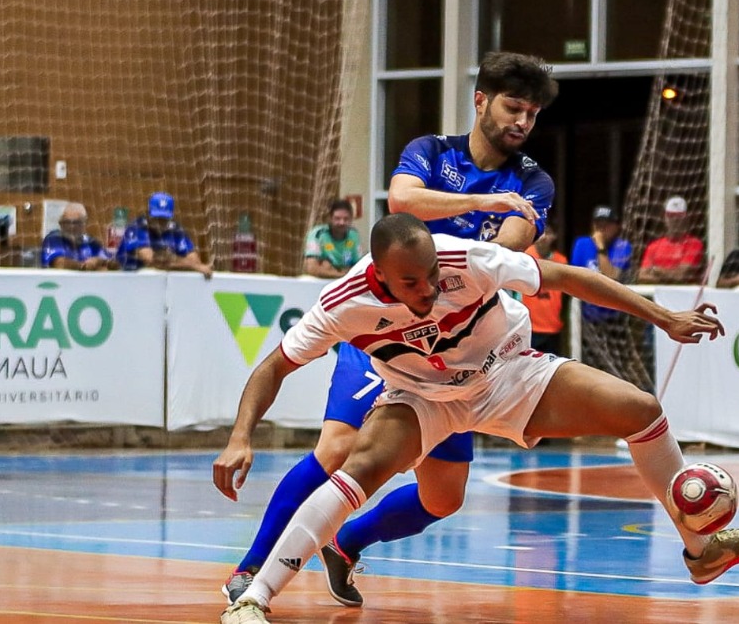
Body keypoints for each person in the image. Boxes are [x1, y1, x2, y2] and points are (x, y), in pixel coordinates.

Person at [215, 214, 739, 624]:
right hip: (422, 397)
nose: (429, 289)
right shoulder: (343, 303)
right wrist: (241, 437)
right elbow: (273, 366)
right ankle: (254, 598)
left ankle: (701, 552)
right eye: (411, 283)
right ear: (381, 278)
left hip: (507, 374)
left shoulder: (466, 260)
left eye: (432, 275)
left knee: (640, 409)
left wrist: (663, 316)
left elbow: (567, 279)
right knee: (357, 464)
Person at [218, 50, 559, 608]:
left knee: (444, 498)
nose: (522, 121)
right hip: (388, 332)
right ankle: (250, 570)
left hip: (456, 348)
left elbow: (510, 246)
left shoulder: (533, 181)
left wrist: (477, 240)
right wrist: (483, 201)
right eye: (513, 107)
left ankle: (347, 543)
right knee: (339, 446)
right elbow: (401, 201)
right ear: (481, 102)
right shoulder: (430, 152)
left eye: (532, 114)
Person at [569, 206, 648, 389]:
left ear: (616, 226)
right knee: (587, 370)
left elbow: (611, 276)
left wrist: (601, 249)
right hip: (588, 319)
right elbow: (575, 275)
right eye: (598, 224)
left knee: (616, 371)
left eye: (606, 225)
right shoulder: (582, 244)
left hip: (614, 321)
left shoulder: (622, 247)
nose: (601, 229)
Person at [116, 192, 213, 278]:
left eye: (164, 219)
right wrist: (191, 266)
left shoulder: (175, 230)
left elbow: (194, 260)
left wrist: (190, 264)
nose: (160, 222)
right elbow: (151, 261)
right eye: (157, 218)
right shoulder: (137, 227)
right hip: (126, 278)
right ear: (148, 214)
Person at [522, 222, 567, 355]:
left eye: (548, 233)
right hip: (529, 326)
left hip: (553, 326)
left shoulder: (561, 261)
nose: (543, 237)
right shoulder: (524, 256)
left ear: (554, 236)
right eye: (540, 233)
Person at [638, 196, 704, 285]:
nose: (675, 219)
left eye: (679, 216)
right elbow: (642, 276)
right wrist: (669, 276)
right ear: (665, 217)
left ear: (686, 218)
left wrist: (656, 270)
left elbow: (681, 276)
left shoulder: (694, 244)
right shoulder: (653, 246)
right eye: (671, 215)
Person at [41, 203, 116, 271]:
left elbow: (114, 264)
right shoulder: (53, 238)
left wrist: (98, 261)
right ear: (60, 224)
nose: (72, 227)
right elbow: (59, 263)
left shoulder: (91, 242)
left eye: (77, 222)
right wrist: (84, 266)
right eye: (67, 222)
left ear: (85, 223)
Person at [303, 199, 362, 278]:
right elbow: (311, 268)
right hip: (321, 281)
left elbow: (359, 267)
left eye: (346, 219)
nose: (342, 222)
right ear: (330, 218)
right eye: (337, 218)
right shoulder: (317, 234)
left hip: (344, 280)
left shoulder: (354, 235)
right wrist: (341, 275)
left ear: (351, 219)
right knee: (325, 265)